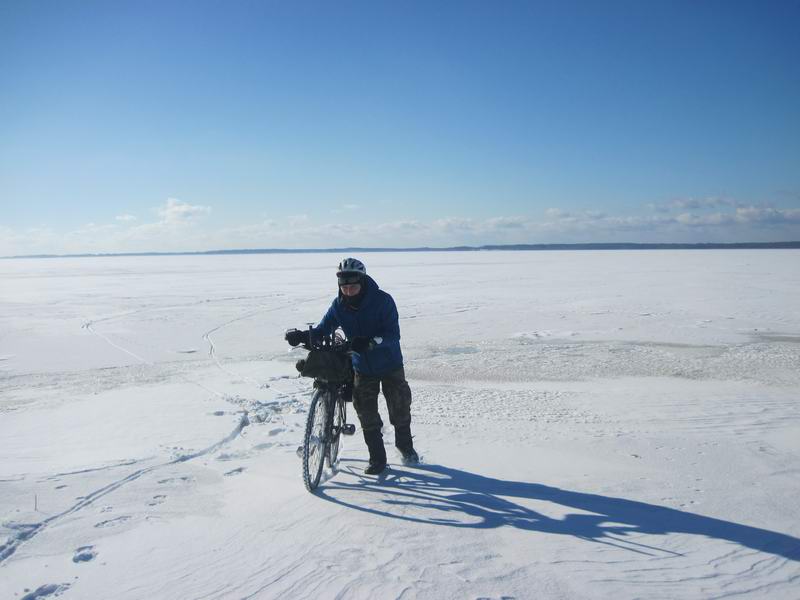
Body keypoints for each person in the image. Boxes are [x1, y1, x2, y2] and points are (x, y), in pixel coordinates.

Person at [285, 257, 419, 474]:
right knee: (366, 413)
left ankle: (405, 448)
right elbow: (323, 328)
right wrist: (302, 335)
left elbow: (393, 335)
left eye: (353, 286)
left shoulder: (383, 301)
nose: (348, 291)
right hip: (362, 368)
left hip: (390, 364)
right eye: (344, 287)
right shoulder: (339, 305)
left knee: (399, 409)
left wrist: (370, 341)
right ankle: (377, 459)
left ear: (363, 281)